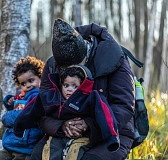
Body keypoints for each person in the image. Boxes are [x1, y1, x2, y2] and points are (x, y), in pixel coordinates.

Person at [28, 18, 135, 160]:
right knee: (37, 156)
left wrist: (88, 125)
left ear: (85, 54)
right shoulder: (53, 64)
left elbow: (124, 106)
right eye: (65, 70)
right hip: (63, 132)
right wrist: (61, 126)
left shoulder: (115, 59)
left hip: (112, 131)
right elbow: (41, 108)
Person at [14, 64, 119, 159]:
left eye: (75, 86)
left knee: (74, 154)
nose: (69, 89)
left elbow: (106, 116)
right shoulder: (51, 96)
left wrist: (112, 138)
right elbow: (31, 110)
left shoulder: (92, 97)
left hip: (83, 135)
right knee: (49, 152)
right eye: (66, 85)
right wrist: (19, 126)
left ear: (83, 85)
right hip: (58, 134)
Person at [0, 56, 45, 160]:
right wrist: (10, 104)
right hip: (13, 143)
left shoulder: (39, 96)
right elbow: (18, 112)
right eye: (23, 83)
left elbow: (23, 116)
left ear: (40, 77)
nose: (28, 85)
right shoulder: (22, 96)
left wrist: (6, 117)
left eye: (31, 80)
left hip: (25, 145)